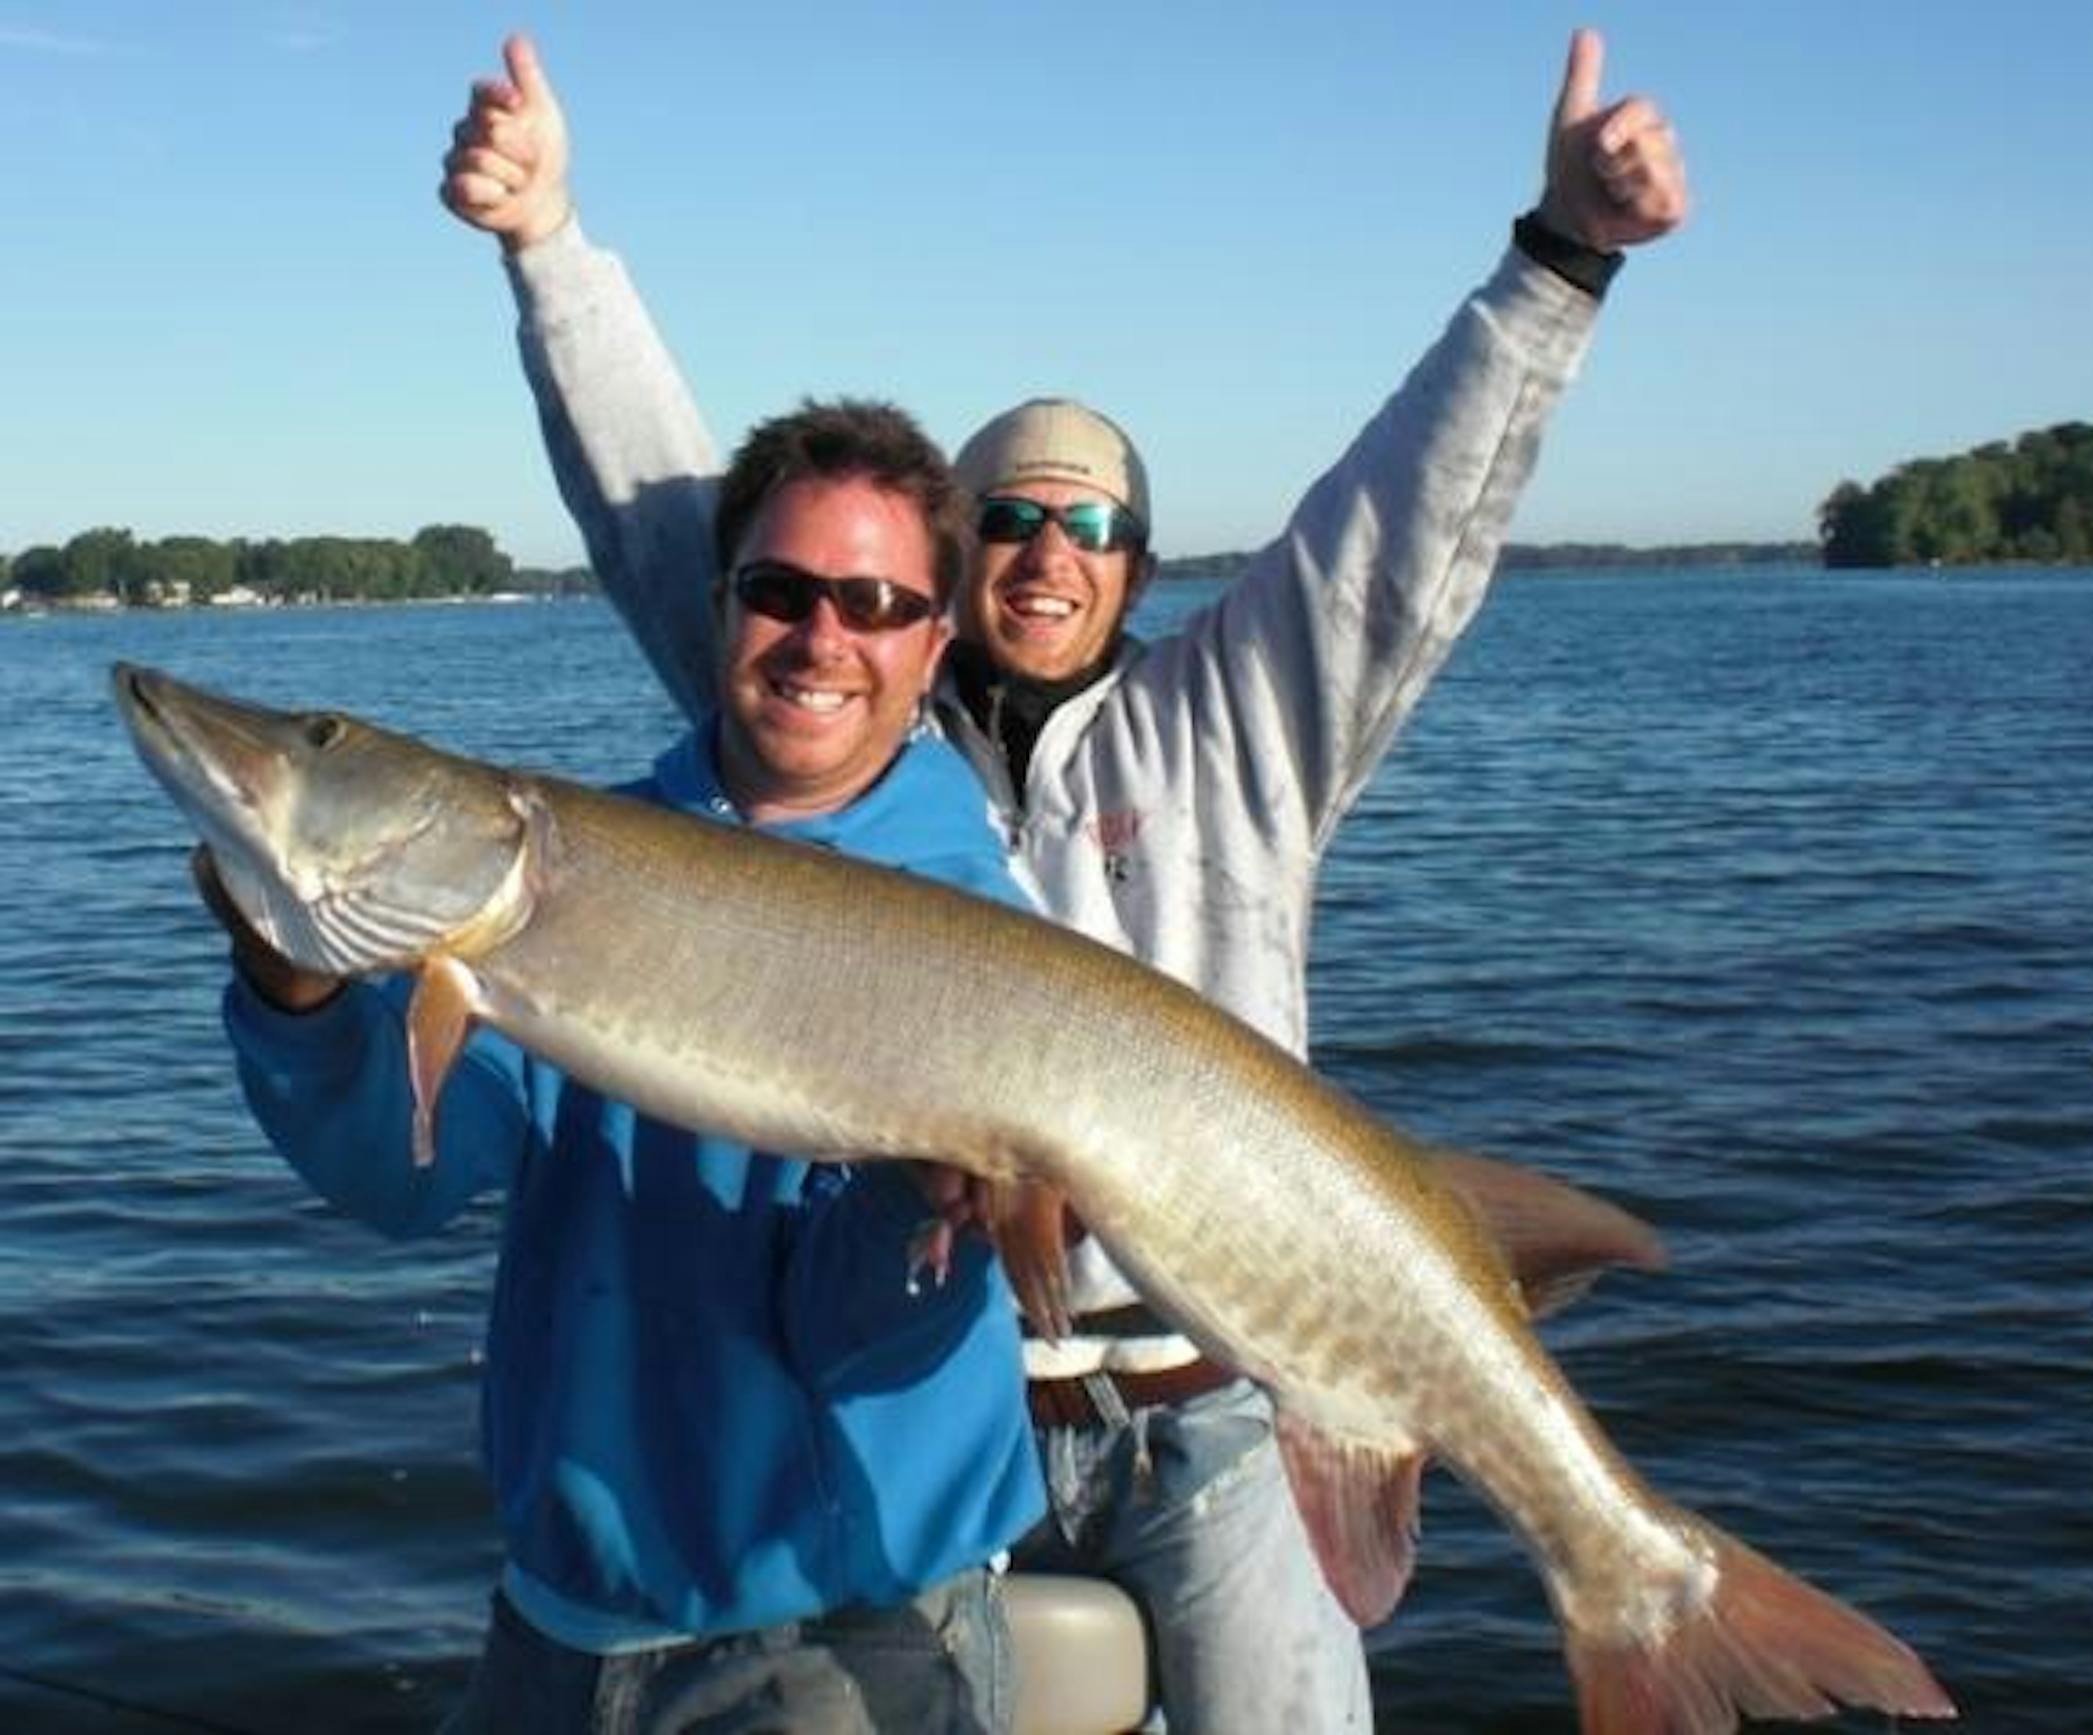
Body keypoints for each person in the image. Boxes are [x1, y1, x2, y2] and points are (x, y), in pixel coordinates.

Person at [439, 30, 1687, 1733]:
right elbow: (684, 518)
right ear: (946, 577)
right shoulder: (854, 712)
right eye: (1009, 518)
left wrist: (1560, 263)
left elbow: (1402, 533)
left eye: (1091, 526)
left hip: (1215, 1404)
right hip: (946, 1413)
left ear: (1141, 567)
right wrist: (552, 252)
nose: (1049, 549)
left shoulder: (1243, 726)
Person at [197, 399, 1045, 1734]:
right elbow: (406, 1177)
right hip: (561, 1620)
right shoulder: (558, 874)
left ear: (933, 641)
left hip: (835, 1635)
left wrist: (909, 1206)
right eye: (782, 590)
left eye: (875, 602)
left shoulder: (976, 930)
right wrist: (295, 989)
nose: (823, 637)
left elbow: (865, 1341)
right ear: (721, 606)